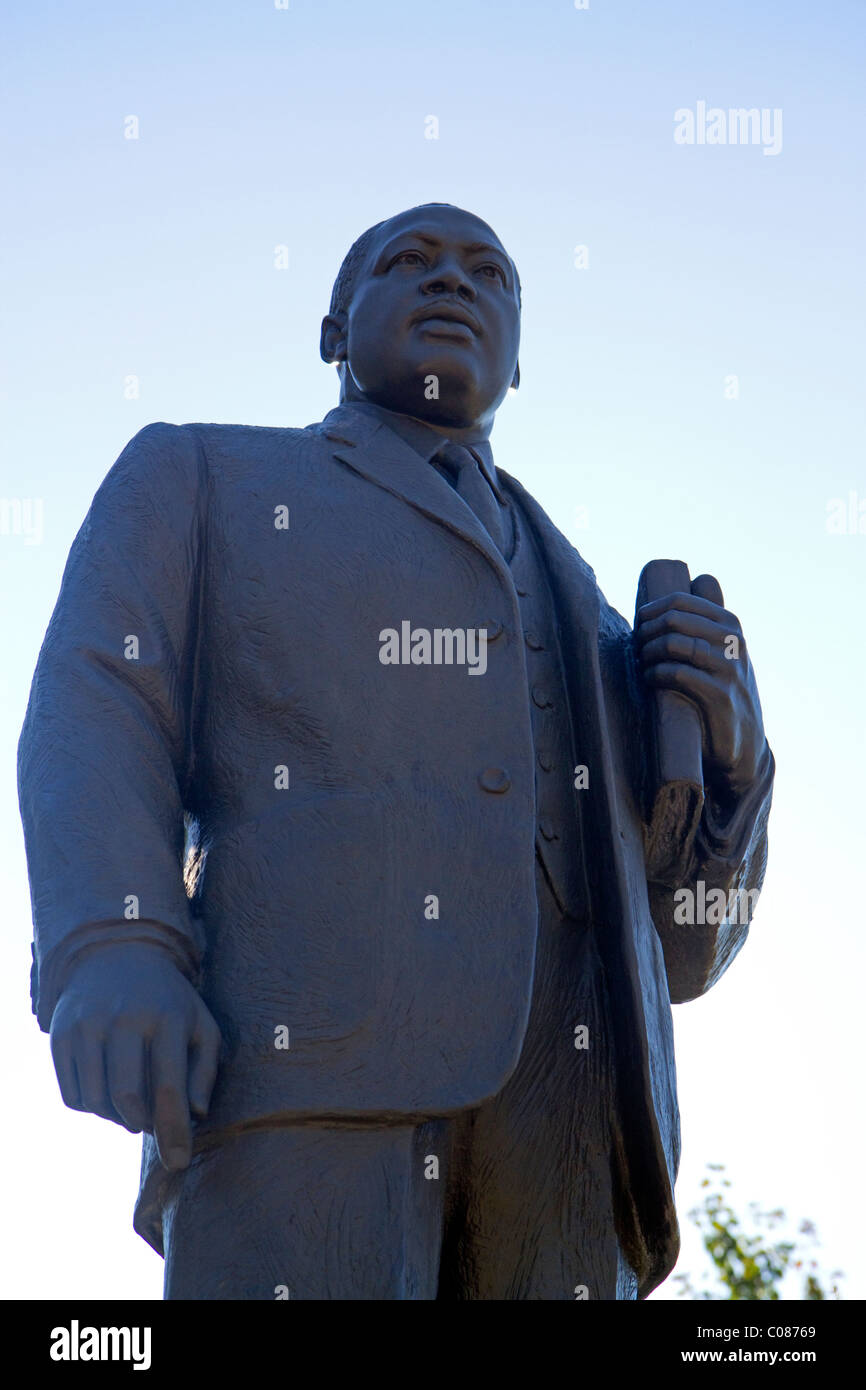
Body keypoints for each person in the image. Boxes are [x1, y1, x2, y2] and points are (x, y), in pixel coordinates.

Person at [18, 202, 774, 1299]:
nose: (451, 283)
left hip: (574, 1130)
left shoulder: (600, 624)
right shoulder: (204, 479)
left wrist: (732, 773)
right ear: (333, 331)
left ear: (520, 364)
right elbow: (99, 699)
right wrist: (113, 943)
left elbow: (683, 952)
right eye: (408, 262)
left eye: (489, 275)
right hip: (298, 1071)